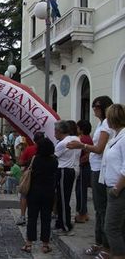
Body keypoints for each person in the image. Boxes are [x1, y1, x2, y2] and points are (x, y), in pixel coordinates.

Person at [67, 96, 114, 258]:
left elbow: (99, 148)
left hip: (100, 169)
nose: (94, 109)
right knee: (99, 208)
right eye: (93, 106)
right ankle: (99, 242)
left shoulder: (107, 124)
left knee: (102, 209)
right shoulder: (102, 123)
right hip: (96, 168)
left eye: (96, 106)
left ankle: (105, 245)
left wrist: (82, 145)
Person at [21, 137, 58, 254]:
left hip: (34, 192)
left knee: (32, 217)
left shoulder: (35, 159)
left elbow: (27, 169)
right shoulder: (54, 161)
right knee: (46, 218)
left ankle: (28, 244)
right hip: (48, 192)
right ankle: (45, 245)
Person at [102, 104, 125, 259]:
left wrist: (117, 188)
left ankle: (118, 255)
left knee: (111, 227)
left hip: (119, 189)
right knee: (118, 227)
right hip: (111, 186)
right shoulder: (116, 136)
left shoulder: (124, 138)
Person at [54, 120, 81, 236]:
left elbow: (54, 157)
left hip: (64, 170)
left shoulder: (62, 143)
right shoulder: (76, 139)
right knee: (64, 198)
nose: (54, 134)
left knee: (63, 199)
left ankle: (65, 226)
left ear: (59, 131)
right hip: (72, 169)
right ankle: (61, 223)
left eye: (55, 131)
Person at [16, 132, 45, 226]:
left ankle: (23, 216)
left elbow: (20, 162)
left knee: (24, 195)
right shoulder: (47, 149)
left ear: (34, 140)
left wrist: (27, 161)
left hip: (30, 176)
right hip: (43, 176)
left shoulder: (29, 149)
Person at [74, 120, 93, 223]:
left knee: (80, 191)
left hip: (83, 167)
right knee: (82, 190)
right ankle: (84, 213)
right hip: (85, 167)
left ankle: (82, 214)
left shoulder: (83, 139)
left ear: (81, 129)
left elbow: (88, 154)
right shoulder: (88, 138)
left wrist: (79, 162)